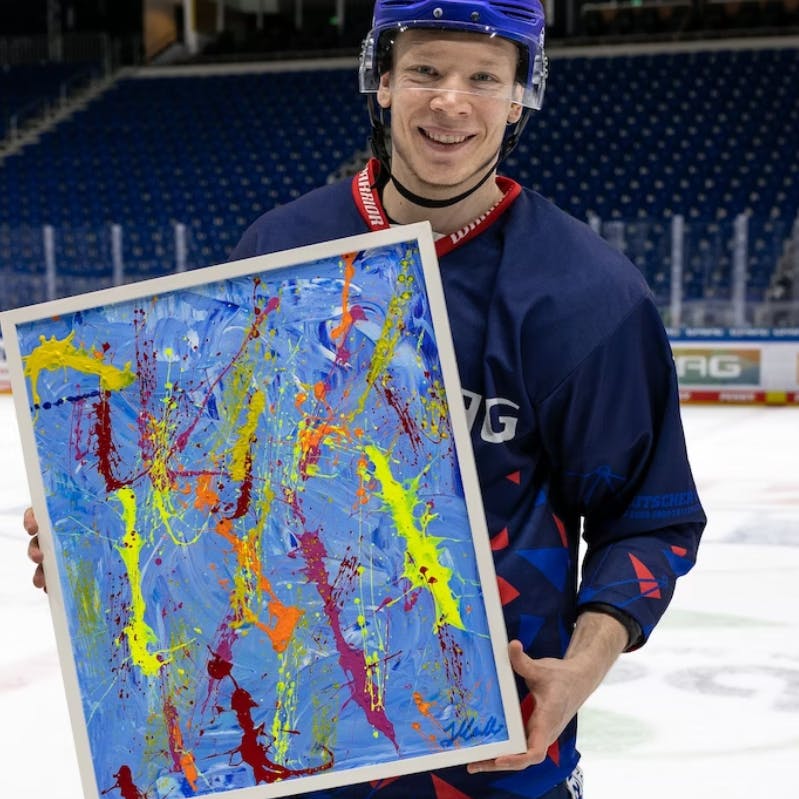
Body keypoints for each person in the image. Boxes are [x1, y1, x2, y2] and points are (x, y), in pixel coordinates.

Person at [25, 0, 706, 797]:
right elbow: (212, 477)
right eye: (423, 70)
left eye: (483, 78)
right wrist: (102, 530)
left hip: (485, 762)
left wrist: (579, 670)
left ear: (521, 95)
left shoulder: (588, 297)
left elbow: (651, 518)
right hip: (282, 751)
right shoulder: (279, 249)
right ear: (381, 81)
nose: (449, 101)